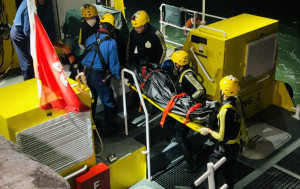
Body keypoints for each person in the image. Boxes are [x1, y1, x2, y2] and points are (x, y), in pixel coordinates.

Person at [162, 50, 206, 173]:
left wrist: (189, 100)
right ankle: (176, 136)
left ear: (178, 64)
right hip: (182, 107)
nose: (174, 64)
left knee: (181, 138)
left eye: (175, 62)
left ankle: (192, 164)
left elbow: (201, 90)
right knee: (167, 120)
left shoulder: (187, 75)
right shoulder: (182, 73)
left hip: (187, 110)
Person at [199, 75, 243, 189]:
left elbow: (222, 136)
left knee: (211, 170)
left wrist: (208, 130)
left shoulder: (225, 111)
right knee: (228, 172)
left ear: (224, 91)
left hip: (226, 148)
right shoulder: (237, 102)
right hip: (236, 146)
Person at [81, 13, 121, 137]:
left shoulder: (90, 38)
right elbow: (114, 66)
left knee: (91, 100)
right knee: (109, 101)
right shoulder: (111, 43)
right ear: (112, 29)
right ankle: (108, 128)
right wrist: (120, 77)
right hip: (99, 76)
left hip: (86, 74)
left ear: (100, 25)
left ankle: (91, 127)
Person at [10, 0, 46, 80]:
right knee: (27, 63)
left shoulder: (35, 4)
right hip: (19, 34)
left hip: (25, 32)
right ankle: (28, 83)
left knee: (34, 59)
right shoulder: (29, 5)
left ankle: (36, 80)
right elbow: (27, 31)